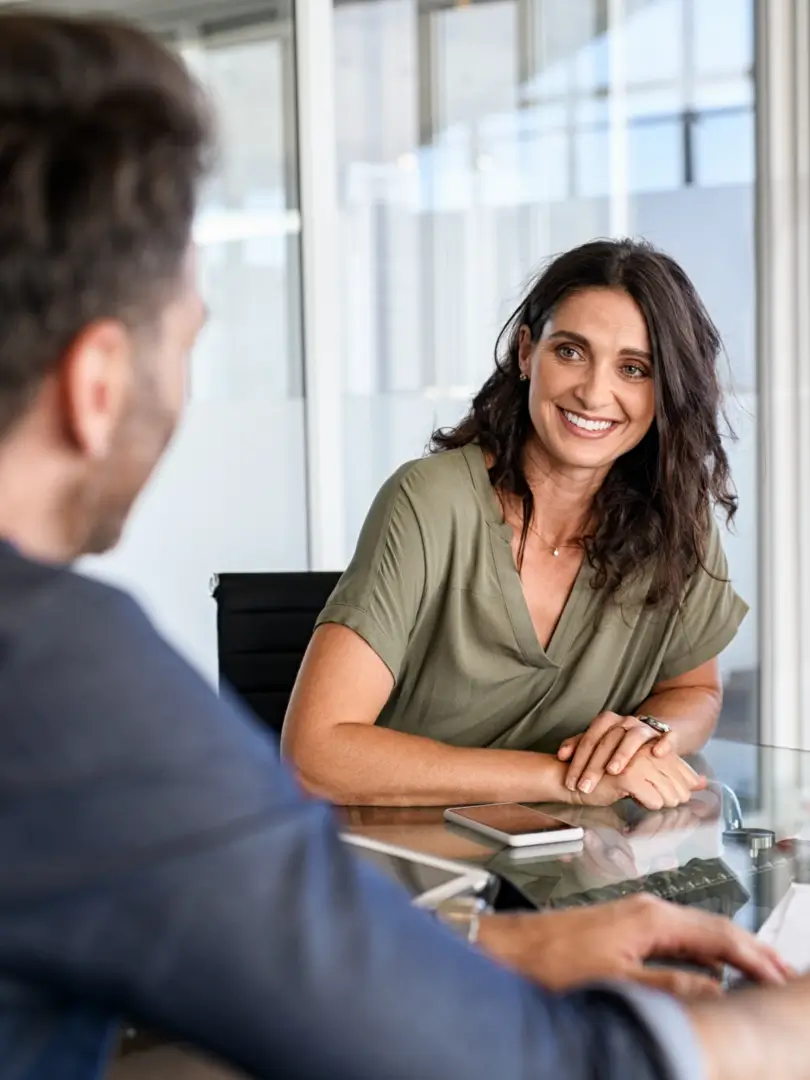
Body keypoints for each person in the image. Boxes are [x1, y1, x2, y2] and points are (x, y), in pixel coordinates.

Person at [0, 11, 802, 1080]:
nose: (598, 390)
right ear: (99, 383)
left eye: (638, 368)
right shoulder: (59, 680)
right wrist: (767, 1030)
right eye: (190, 340)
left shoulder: (57, 680)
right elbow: (507, 1052)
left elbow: (269, 948)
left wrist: (513, 929)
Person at [282, 239, 746, 809]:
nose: (595, 392)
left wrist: (648, 733)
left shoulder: (677, 517)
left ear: (665, 389)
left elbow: (693, 688)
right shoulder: (429, 501)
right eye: (571, 352)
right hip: (404, 869)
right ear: (527, 353)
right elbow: (314, 755)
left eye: (633, 368)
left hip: (574, 873)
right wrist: (565, 782)